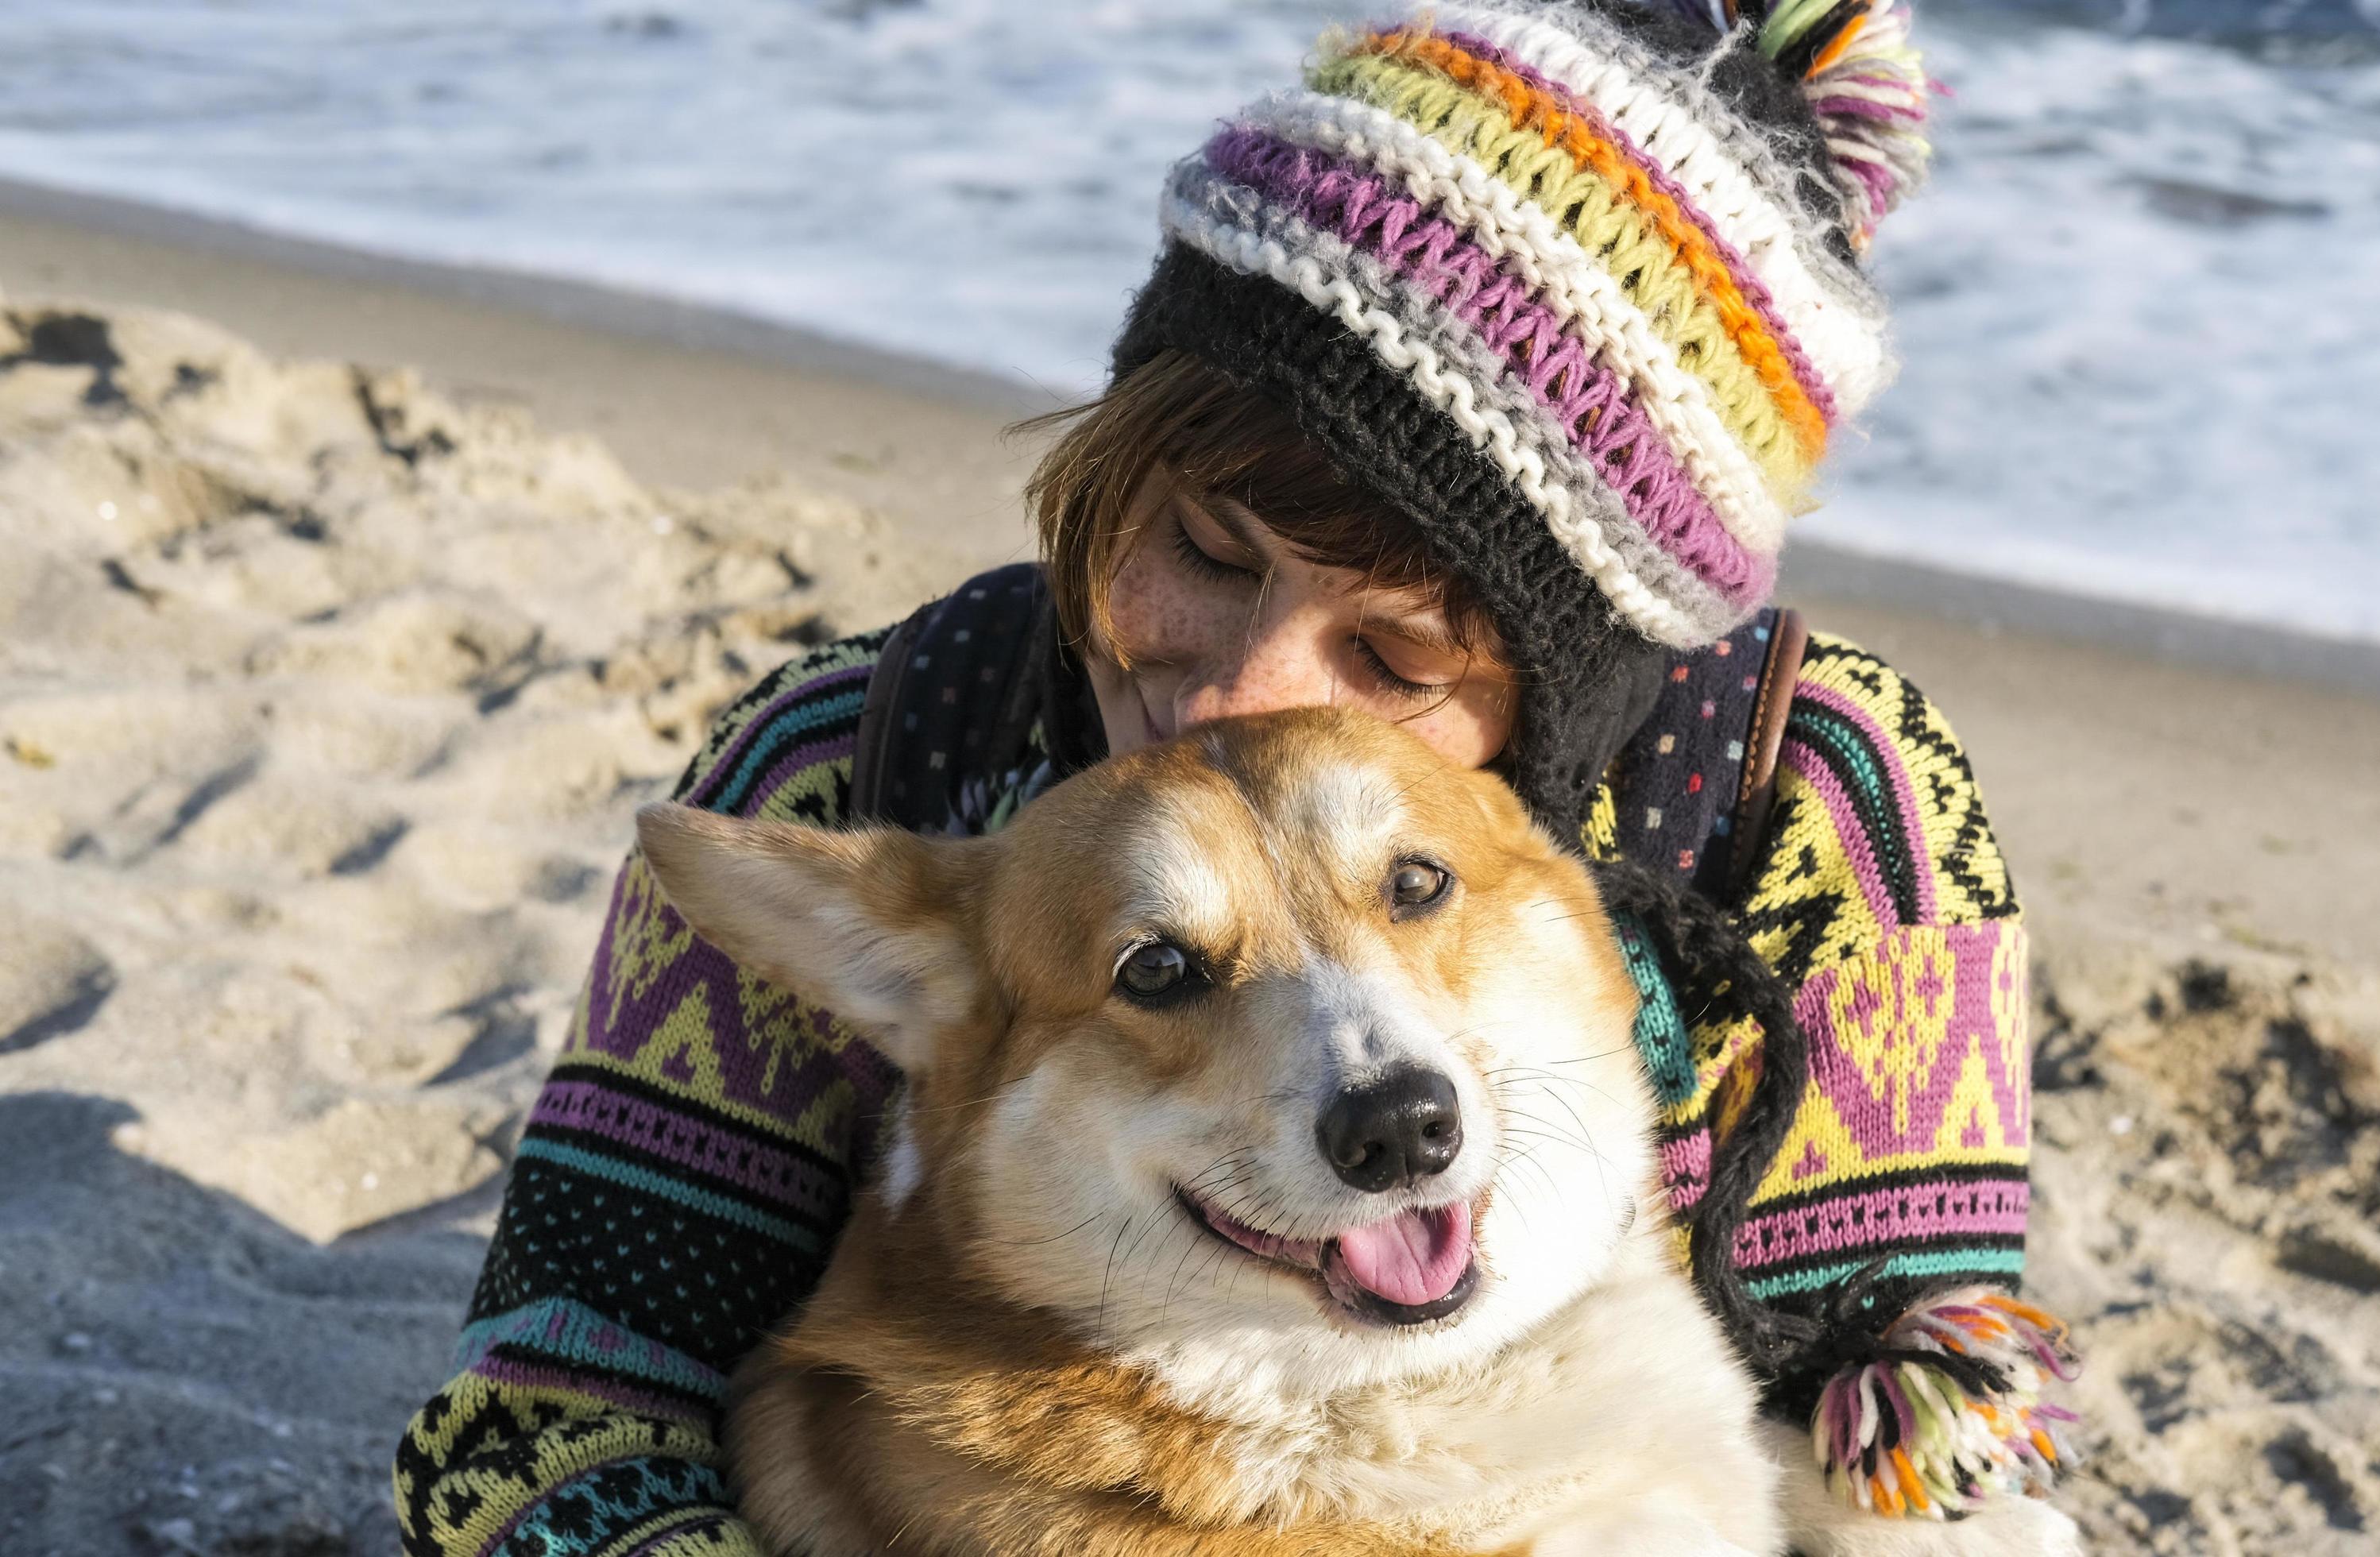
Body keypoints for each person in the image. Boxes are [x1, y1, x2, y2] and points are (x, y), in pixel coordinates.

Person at [392, 2, 2075, 1551]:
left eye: (1396, 660)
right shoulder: (847, 759)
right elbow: (549, 1398)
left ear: (1571, 694)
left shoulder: (1816, 799)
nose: (1233, 686)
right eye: (1203, 543)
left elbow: (1925, 1415)